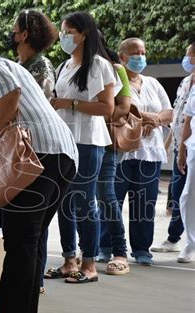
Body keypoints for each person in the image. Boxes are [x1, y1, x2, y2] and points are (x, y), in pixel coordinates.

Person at [0, 48, 78, 313]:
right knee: (28, 241)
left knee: (21, 245)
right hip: (58, 158)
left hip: (37, 155)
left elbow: (12, 95)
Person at [46, 11, 117, 284]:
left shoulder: (99, 65)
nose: (64, 37)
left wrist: (69, 104)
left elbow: (107, 107)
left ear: (83, 33)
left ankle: (89, 263)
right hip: (63, 140)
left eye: (68, 32)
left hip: (88, 141)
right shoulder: (64, 66)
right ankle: (68, 260)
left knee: (85, 201)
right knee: (64, 201)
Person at [7, 8, 58, 293]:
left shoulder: (41, 66)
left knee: (33, 227)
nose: (11, 34)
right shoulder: (21, 64)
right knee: (26, 227)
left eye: (15, 29)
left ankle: (32, 282)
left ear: (24, 34)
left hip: (36, 148)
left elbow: (34, 106)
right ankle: (28, 280)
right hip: (20, 147)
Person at [114, 37, 173, 266]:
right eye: (135, 52)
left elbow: (169, 112)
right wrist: (143, 118)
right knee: (112, 202)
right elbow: (119, 109)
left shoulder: (153, 83)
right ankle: (106, 245)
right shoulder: (116, 81)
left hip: (150, 154)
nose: (140, 57)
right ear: (122, 57)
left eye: (143, 52)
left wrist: (154, 119)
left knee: (144, 204)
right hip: (122, 152)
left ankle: (141, 249)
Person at [152, 42, 195, 254]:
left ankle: (187, 241)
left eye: (189, 55)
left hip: (191, 148)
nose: (186, 60)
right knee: (179, 194)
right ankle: (174, 238)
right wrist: (169, 144)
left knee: (188, 195)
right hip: (182, 148)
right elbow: (178, 117)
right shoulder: (186, 82)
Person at [96, 32, 132, 275]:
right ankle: (89, 250)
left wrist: (91, 113)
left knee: (105, 195)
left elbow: (124, 108)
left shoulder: (115, 69)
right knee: (82, 197)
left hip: (107, 142)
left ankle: (120, 251)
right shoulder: (71, 68)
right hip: (80, 142)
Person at [174, 41, 195, 263]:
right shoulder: (190, 86)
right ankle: (190, 243)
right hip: (193, 148)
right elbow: (187, 119)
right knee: (188, 196)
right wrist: (181, 150)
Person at [7, 9, 57, 100]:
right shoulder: (18, 64)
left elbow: (41, 105)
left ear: (24, 35)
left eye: (14, 28)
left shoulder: (43, 68)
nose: (11, 32)